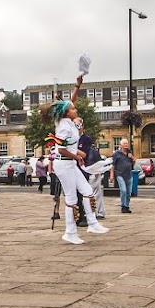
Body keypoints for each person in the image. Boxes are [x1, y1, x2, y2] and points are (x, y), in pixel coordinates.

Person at [50, 75, 108, 244]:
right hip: (63, 163)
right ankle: (70, 232)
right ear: (67, 113)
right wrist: (77, 157)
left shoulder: (71, 122)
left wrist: (77, 85)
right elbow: (60, 149)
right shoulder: (62, 126)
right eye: (73, 110)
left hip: (70, 163)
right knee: (71, 198)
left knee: (88, 192)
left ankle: (92, 223)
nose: (76, 110)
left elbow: (71, 101)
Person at [110, 138, 136, 214]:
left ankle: (127, 206)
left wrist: (132, 158)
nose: (126, 145)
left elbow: (133, 162)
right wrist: (111, 175)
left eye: (127, 143)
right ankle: (123, 206)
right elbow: (113, 165)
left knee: (129, 192)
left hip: (129, 174)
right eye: (124, 143)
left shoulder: (129, 153)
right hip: (120, 174)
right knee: (123, 190)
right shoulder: (116, 154)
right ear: (121, 145)